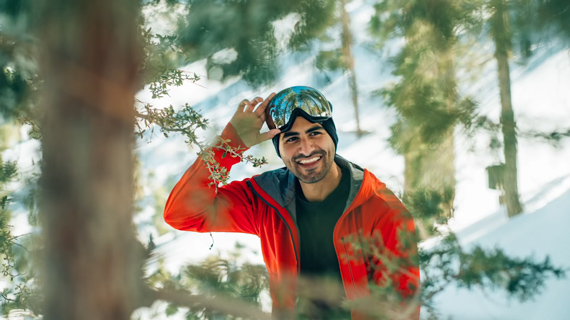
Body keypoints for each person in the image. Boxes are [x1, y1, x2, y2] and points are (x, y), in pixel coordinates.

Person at [164, 86, 420, 319]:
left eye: (315, 133)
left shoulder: (382, 211)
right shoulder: (266, 199)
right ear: (280, 148)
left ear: (332, 137)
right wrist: (230, 145)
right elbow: (183, 213)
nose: (306, 149)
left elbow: (400, 310)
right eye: (292, 139)